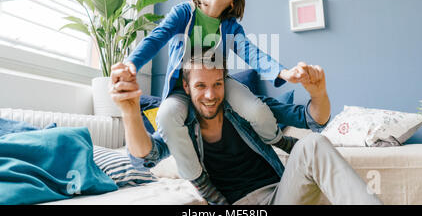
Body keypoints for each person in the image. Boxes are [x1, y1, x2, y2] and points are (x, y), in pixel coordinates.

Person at [111, 0, 325, 201]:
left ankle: (279, 139)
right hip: (181, 89)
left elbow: (252, 53)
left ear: (233, 3)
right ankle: (201, 182)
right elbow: (157, 37)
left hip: (218, 82)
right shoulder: (184, 13)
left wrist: (283, 72)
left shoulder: (230, 27)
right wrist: (131, 63)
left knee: (255, 108)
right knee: (165, 116)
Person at [110, 54, 383, 205]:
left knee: (312, 143)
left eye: (217, 84)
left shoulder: (248, 110)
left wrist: (319, 93)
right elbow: (146, 156)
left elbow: (313, 119)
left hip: (280, 195)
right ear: (186, 87)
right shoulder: (181, 125)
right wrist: (130, 110)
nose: (210, 95)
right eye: (201, 86)